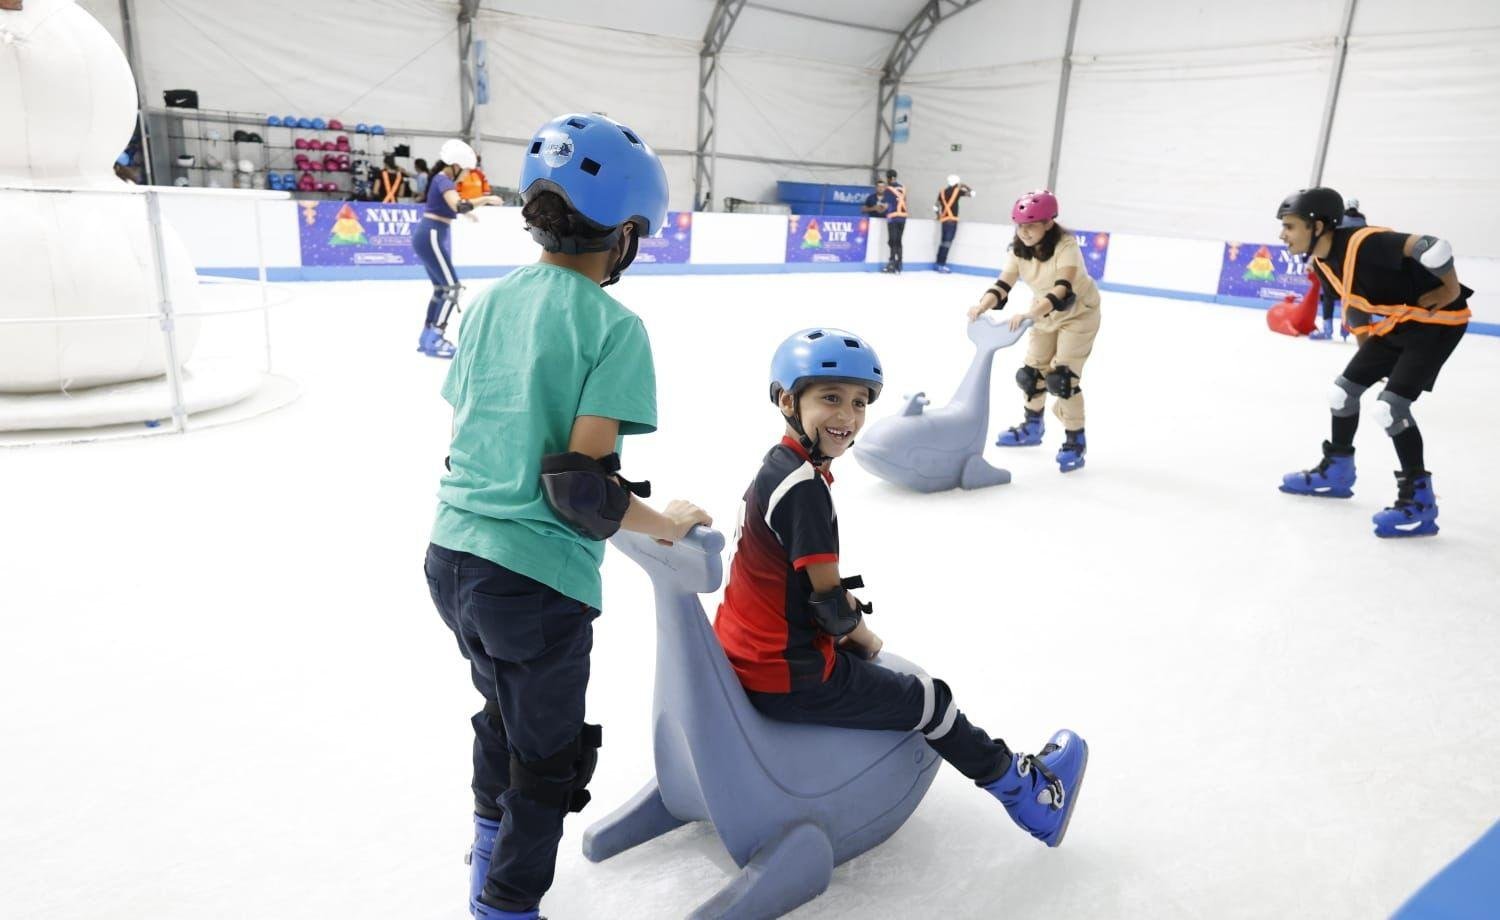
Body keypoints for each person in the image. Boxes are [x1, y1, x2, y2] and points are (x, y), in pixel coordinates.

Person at [425, 113, 713, 920]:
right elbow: (579, 491)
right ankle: (506, 906)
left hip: (451, 559)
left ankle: (486, 854)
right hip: (531, 582)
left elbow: (475, 432)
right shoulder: (613, 326)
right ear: (623, 234)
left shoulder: (487, 305)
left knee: (501, 714)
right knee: (547, 761)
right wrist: (668, 521)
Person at [712, 327, 1089, 851]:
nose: (846, 417)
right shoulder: (803, 489)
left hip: (748, 655)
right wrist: (860, 638)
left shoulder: (777, 468)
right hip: (788, 675)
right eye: (830, 398)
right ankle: (1030, 798)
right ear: (786, 400)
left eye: (859, 403)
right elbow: (829, 607)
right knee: (932, 701)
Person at [1276, 187, 1471, 537]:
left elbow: (1433, 247)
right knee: (1342, 393)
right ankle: (1337, 471)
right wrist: (1366, 353)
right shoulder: (1323, 261)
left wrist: (1450, 290)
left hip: (1439, 321)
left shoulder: (1365, 243)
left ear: (1317, 226)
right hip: (1400, 321)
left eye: (1290, 226)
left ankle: (1420, 503)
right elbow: (1355, 301)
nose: (1282, 235)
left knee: (1390, 409)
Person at [967, 189, 1101, 472]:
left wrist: (1030, 313)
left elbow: (1063, 287)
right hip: (1043, 313)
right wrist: (982, 306)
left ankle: (1075, 439)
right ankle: (1032, 427)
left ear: (1048, 224)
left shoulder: (1066, 246)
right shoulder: (1019, 249)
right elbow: (1004, 283)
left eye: (1031, 226)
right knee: (1030, 375)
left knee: (1062, 379)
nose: (1025, 232)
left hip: (1078, 314)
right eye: (1020, 226)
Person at [410, 138, 503, 358]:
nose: (464, 175)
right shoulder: (444, 180)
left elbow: (453, 205)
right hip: (432, 233)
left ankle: (427, 337)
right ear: (456, 165)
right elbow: (459, 205)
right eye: (465, 171)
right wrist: (486, 199)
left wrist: (468, 212)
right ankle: (436, 337)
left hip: (430, 233)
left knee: (442, 288)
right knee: (452, 288)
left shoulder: (441, 181)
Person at [933, 174, 974, 273]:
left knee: (943, 242)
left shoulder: (942, 192)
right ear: (957, 182)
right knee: (947, 243)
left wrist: (938, 215)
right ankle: (941, 265)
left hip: (944, 220)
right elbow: (972, 194)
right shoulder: (958, 191)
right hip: (952, 221)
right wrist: (965, 186)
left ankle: (938, 263)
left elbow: (935, 206)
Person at [879, 168, 908, 273]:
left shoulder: (888, 189)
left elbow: (885, 205)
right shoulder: (903, 188)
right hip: (903, 218)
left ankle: (891, 263)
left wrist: (880, 209)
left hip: (893, 218)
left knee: (892, 241)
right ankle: (899, 264)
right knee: (899, 241)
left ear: (889, 178)